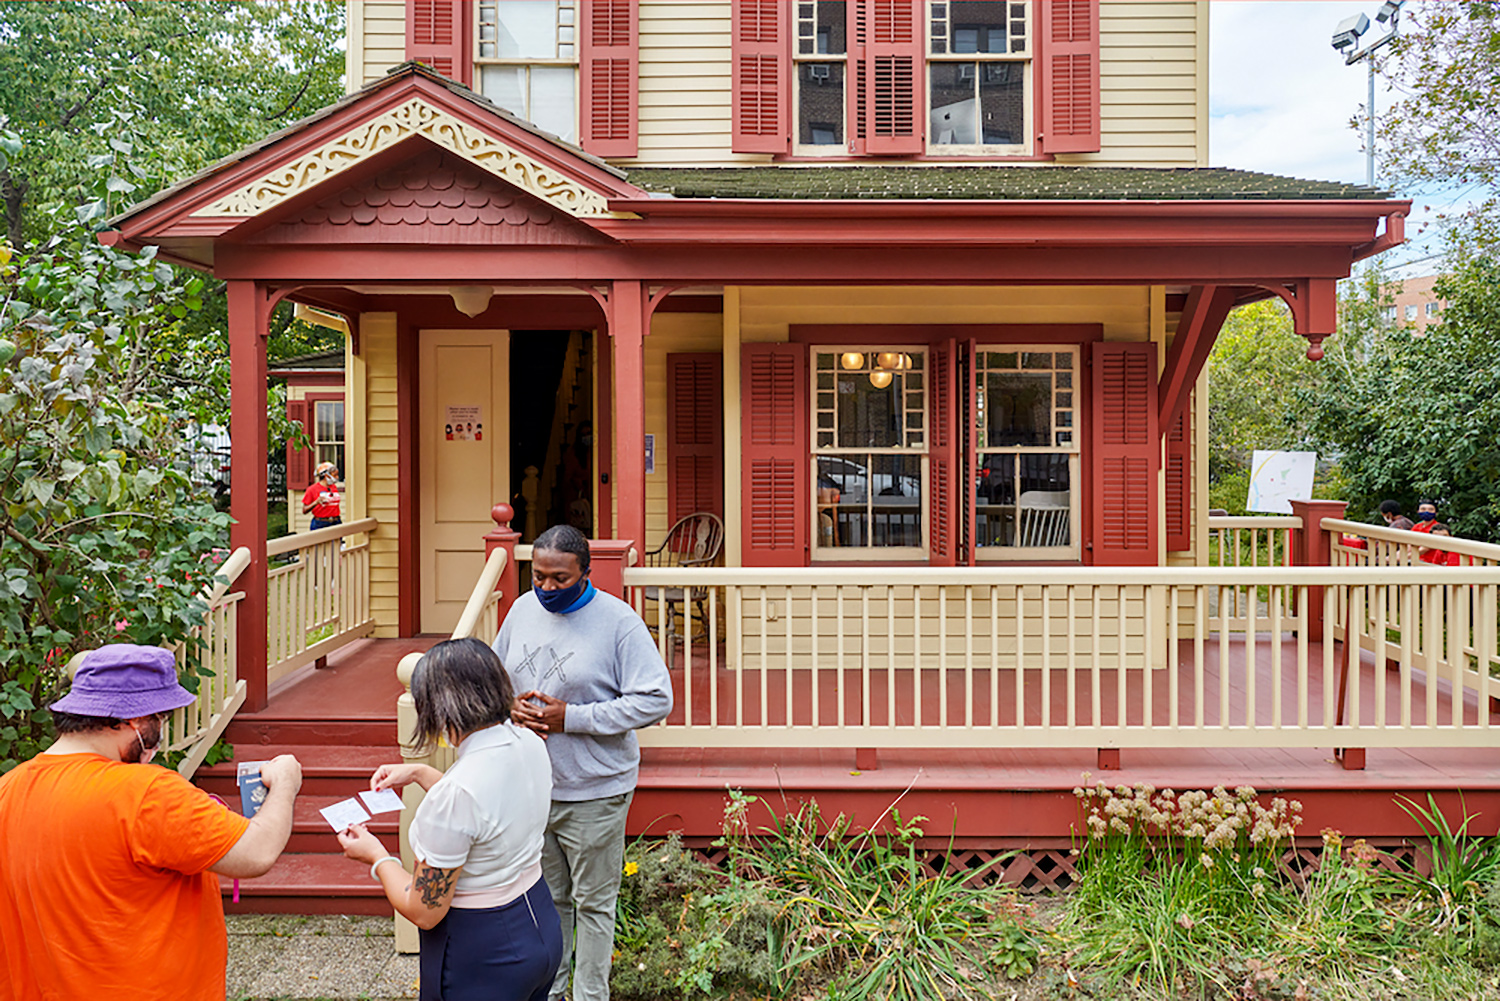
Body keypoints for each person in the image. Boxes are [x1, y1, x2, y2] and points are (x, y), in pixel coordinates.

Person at [0, 644, 301, 1000]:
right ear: (134, 721)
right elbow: (257, 852)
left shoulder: (8, 788)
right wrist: (285, 782)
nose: (160, 731)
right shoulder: (146, 792)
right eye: (160, 719)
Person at [494, 524, 673, 1001]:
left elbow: (656, 699)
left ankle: (590, 995)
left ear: (586, 573)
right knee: (549, 901)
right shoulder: (520, 609)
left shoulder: (618, 622)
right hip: (532, 786)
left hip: (595, 788)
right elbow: (495, 676)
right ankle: (551, 992)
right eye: (538, 577)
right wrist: (508, 705)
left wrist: (570, 717)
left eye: (560, 579)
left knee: (593, 904)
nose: (547, 588)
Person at [337, 638, 560, 1001]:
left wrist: (378, 858)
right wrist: (421, 774)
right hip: (539, 919)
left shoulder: (457, 794)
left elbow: (423, 911)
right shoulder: (528, 742)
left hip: (483, 947)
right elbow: (485, 816)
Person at [302, 460, 342, 530]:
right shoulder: (312, 489)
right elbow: (304, 510)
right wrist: (316, 502)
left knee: (337, 541)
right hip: (320, 523)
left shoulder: (334, 487)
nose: (337, 477)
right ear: (326, 475)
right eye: (334, 475)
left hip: (336, 522)